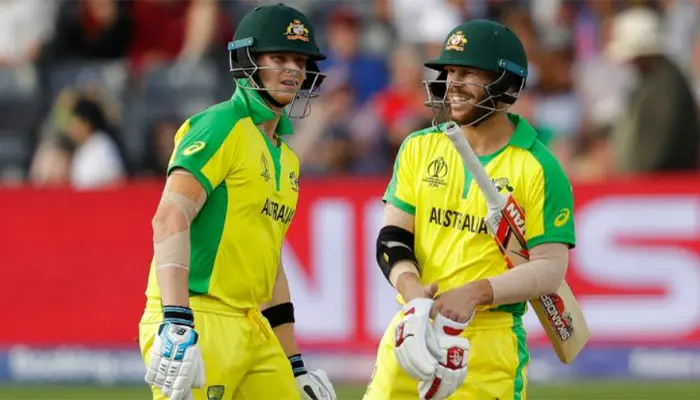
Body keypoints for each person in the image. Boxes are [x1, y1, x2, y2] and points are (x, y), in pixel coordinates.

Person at [365, 19, 576, 400]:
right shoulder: (419, 146)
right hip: (411, 329)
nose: (452, 84)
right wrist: (412, 290)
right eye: (450, 72)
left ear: (504, 83)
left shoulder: (539, 167)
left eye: (469, 73)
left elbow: (549, 269)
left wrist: (476, 293)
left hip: (487, 345)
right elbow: (393, 237)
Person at [138, 4, 336, 400]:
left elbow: (271, 264)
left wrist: (294, 363)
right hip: (198, 317)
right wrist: (177, 320)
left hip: (254, 326)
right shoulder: (220, 125)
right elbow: (170, 218)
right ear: (248, 61)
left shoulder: (288, 158)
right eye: (279, 58)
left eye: (299, 60)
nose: (293, 70)